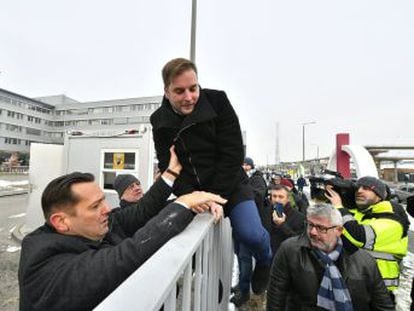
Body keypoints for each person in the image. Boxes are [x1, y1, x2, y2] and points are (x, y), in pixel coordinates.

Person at [18, 147, 225, 311]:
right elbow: (124, 257)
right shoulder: (43, 265)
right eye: (95, 206)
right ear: (61, 222)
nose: (106, 209)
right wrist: (184, 204)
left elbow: (144, 210)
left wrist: (176, 181)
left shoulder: (106, 223)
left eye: (103, 201)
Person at [150, 57, 272, 295]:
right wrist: (193, 196)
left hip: (231, 184)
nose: (188, 97)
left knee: (252, 234)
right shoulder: (159, 121)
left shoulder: (218, 101)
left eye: (193, 88)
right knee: (175, 240)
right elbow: (168, 163)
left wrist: (215, 196)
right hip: (193, 192)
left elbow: (233, 152)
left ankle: (266, 261)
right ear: (166, 92)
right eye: (179, 91)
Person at [267, 203, 394, 310]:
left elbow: (383, 304)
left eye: (321, 228)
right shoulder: (290, 250)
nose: (312, 232)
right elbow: (276, 294)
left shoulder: (363, 261)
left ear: (338, 230)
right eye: (310, 225)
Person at [325, 176, 410, 299]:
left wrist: (339, 207)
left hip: (377, 291)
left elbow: (359, 236)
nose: (359, 191)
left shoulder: (393, 219)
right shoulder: (360, 214)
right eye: (357, 188)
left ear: (379, 195)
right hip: (351, 285)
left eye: (366, 188)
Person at [231, 157, 269, 307]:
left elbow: (258, 197)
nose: (244, 167)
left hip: (250, 224)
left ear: (252, 166)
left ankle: (244, 293)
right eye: (243, 164)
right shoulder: (240, 180)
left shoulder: (257, 180)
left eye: (247, 165)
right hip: (240, 225)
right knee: (240, 257)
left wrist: (242, 194)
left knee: (245, 260)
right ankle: (241, 286)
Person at [269, 185, 305, 257]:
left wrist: (282, 225)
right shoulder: (266, 212)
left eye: (281, 197)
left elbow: (299, 243)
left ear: (288, 199)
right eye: (274, 196)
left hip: (287, 259)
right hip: (267, 260)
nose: (277, 200)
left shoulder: (299, 217)